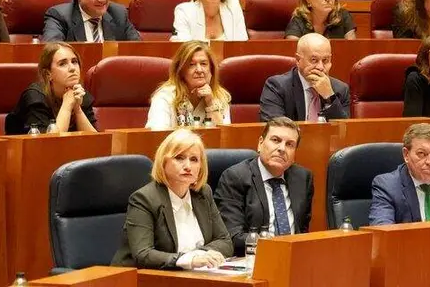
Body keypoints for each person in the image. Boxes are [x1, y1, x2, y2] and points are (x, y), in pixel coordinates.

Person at [111, 128, 233, 269]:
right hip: (139, 278)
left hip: (191, 277)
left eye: (194, 159)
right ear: (163, 162)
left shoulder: (203, 193)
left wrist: (201, 255)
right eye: (179, 158)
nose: (188, 166)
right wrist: (190, 260)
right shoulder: (144, 199)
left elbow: (225, 241)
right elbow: (143, 254)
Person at [214, 117, 313, 255]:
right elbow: (233, 236)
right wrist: (275, 248)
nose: (282, 149)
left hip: (294, 259)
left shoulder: (303, 178)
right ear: (260, 143)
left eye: (290, 144)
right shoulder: (235, 177)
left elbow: (302, 230)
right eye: (276, 140)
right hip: (252, 259)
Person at [5, 42, 97, 135]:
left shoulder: (80, 95)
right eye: (62, 64)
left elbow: (96, 142)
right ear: (48, 74)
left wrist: (77, 108)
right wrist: (67, 105)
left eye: (74, 61)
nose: (72, 68)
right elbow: (47, 144)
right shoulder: (36, 97)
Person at [259, 33, 350, 122]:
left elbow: (344, 132)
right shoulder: (277, 87)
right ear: (298, 60)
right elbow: (275, 129)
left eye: (325, 60)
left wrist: (329, 97)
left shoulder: (340, 89)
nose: (321, 67)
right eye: (314, 60)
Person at [146, 41, 231, 129]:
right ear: (181, 70)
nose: (199, 70)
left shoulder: (221, 97)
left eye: (203, 64)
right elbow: (156, 136)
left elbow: (225, 137)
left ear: (211, 69)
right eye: (191, 65)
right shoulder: (165, 97)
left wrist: (211, 104)